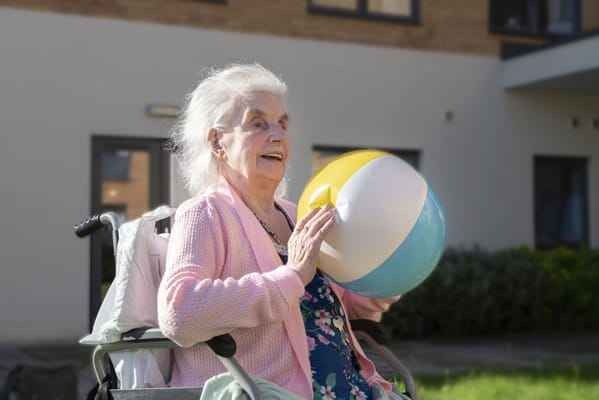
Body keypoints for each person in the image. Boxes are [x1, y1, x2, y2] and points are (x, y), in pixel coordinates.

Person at [158, 63, 401, 399]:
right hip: (270, 392)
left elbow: (342, 307)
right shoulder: (205, 213)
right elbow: (179, 312)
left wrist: (383, 278)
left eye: (282, 124)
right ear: (217, 142)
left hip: (354, 388)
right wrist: (291, 276)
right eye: (257, 124)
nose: (278, 135)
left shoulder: (296, 215)